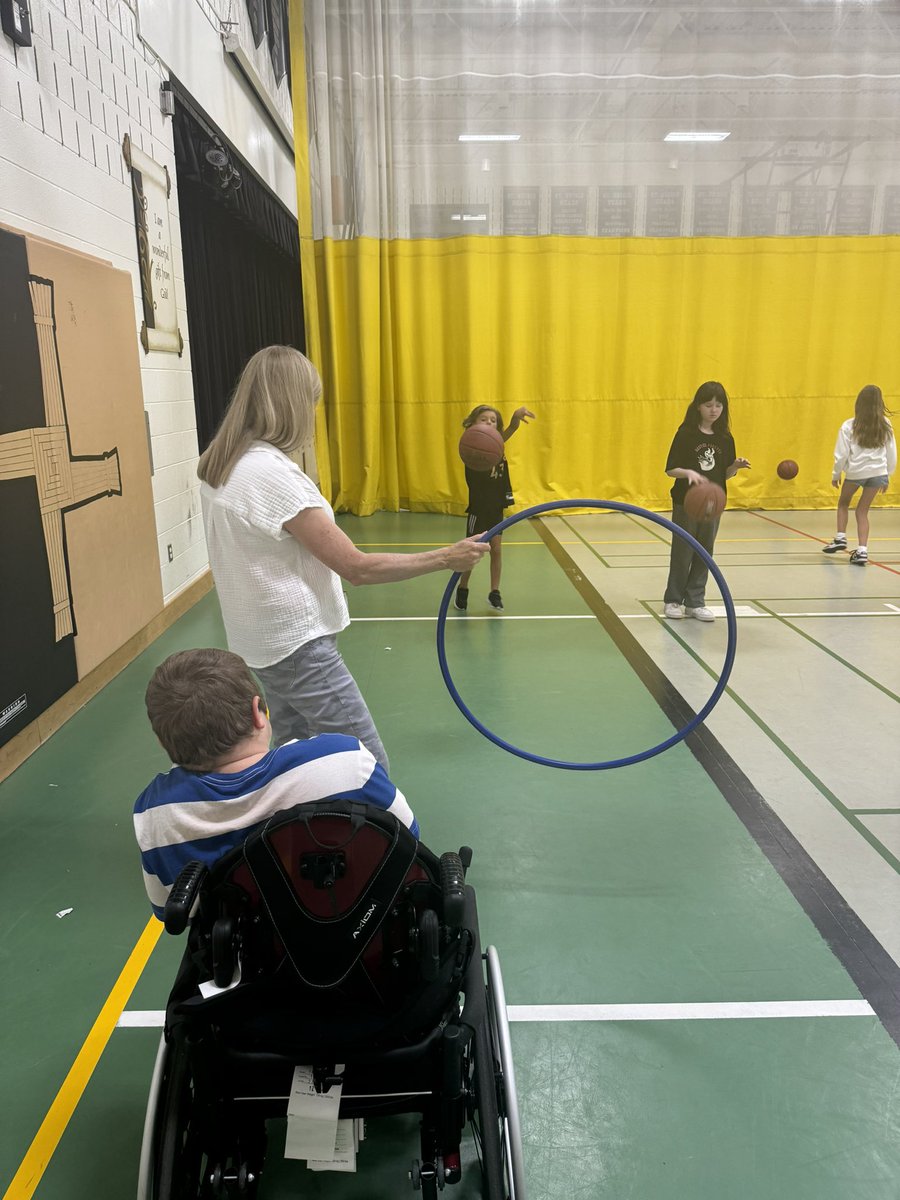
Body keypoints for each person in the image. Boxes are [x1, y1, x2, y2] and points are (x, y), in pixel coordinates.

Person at [197, 346, 488, 773]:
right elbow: (356, 568)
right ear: (293, 404)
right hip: (297, 645)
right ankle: (390, 838)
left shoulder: (221, 464)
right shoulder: (271, 475)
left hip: (259, 643)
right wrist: (447, 557)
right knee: (367, 762)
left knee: (295, 755)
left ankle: (307, 833)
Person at [133, 648, 419, 919]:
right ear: (258, 712)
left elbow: (166, 908)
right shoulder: (344, 762)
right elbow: (409, 837)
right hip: (365, 942)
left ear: (162, 741)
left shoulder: (156, 813)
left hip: (250, 966)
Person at [662, 381, 750, 622]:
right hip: (686, 501)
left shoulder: (724, 438)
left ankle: (695, 601)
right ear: (698, 407)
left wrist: (735, 466)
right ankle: (673, 600)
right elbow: (670, 469)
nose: (714, 410)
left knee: (705, 552)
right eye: (708, 404)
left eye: (718, 405)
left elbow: (725, 474)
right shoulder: (686, 434)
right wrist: (688, 473)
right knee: (683, 550)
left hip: (713, 503)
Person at [453, 404, 535, 613]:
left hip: (496, 506)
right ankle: (463, 588)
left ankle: (494, 592)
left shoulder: (495, 445)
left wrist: (515, 419)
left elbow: (506, 434)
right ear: (472, 424)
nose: (489, 423)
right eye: (484, 419)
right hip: (478, 509)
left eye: (493, 421)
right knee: (472, 552)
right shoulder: (473, 447)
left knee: (496, 551)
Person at [822, 384, 896, 566]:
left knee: (843, 503)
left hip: (856, 472)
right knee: (863, 511)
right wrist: (888, 475)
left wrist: (836, 474)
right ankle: (862, 551)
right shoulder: (886, 424)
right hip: (878, 473)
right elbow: (892, 452)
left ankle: (841, 537)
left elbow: (841, 454)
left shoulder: (849, 425)